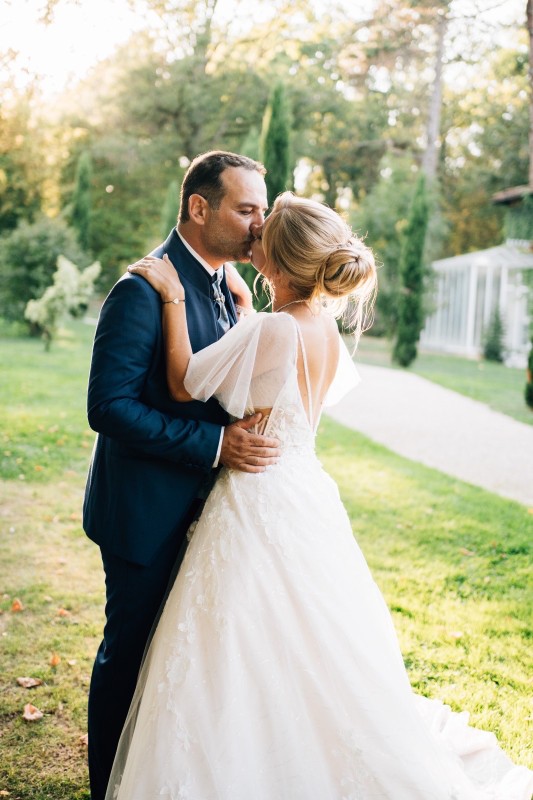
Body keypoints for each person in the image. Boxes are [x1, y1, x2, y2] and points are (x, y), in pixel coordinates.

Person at [107, 193, 532, 800]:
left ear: (276, 261)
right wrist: (249, 308)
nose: (251, 238)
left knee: (241, 634)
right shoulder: (321, 328)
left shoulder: (275, 329)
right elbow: (281, 384)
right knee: (304, 632)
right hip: (303, 490)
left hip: (255, 492)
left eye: (261, 235)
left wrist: (173, 297)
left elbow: (184, 381)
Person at [83, 150, 281, 800]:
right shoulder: (142, 289)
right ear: (200, 207)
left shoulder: (228, 286)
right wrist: (215, 445)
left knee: (178, 663)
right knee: (130, 656)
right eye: (246, 209)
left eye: (261, 210)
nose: (259, 224)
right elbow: (109, 407)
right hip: (143, 514)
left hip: (208, 516)